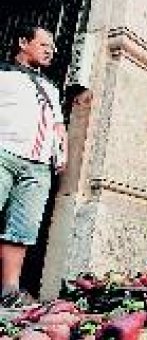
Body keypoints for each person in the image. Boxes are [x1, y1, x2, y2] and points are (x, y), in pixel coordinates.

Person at [0, 26, 67, 307]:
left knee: (22, 230)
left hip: (38, 166)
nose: (50, 50)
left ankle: (9, 291)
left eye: (52, 46)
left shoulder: (51, 88)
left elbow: (57, 125)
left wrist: (61, 151)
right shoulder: (4, 75)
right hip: (4, 153)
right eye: (43, 44)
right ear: (23, 43)